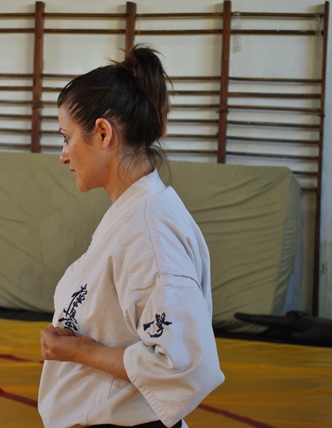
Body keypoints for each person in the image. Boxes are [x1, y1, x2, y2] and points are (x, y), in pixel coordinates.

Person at [38, 45, 225, 428]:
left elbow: (183, 365)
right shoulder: (134, 215)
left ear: (103, 133)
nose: (63, 154)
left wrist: (80, 351)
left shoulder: (151, 230)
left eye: (67, 137)